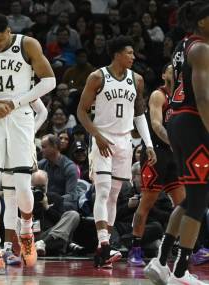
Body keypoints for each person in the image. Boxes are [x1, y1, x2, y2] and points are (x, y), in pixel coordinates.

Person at [0, 13, 55, 274]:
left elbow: (49, 81)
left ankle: (27, 231)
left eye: (0, 39)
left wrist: (15, 102)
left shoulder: (28, 44)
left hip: (20, 116)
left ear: (9, 31)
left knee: (21, 186)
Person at [77, 35, 157, 269]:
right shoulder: (97, 77)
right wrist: (97, 136)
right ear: (117, 54)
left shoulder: (137, 80)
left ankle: (103, 252)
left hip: (124, 142)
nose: (133, 57)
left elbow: (139, 114)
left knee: (113, 196)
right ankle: (104, 243)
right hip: (102, 137)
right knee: (102, 192)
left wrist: (148, 143)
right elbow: (82, 112)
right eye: (129, 53)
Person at [144, 2, 209, 284]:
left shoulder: (183, 45)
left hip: (179, 124)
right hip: (194, 122)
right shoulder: (202, 49)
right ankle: (181, 273)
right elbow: (204, 97)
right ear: (204, 22)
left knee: (190, 199)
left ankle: (160, 262)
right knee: (198, 201)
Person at [127, 64, 185, 267]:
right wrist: (176, 142)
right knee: (146, 203)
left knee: (183, 205)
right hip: (156, 154)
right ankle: (135, 248)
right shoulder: (158, 95)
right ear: (163, 74)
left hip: (174, 156)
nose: (174, 71)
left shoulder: (184, 97)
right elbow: (156, 125)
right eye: (169, 69)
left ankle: (175, 247)